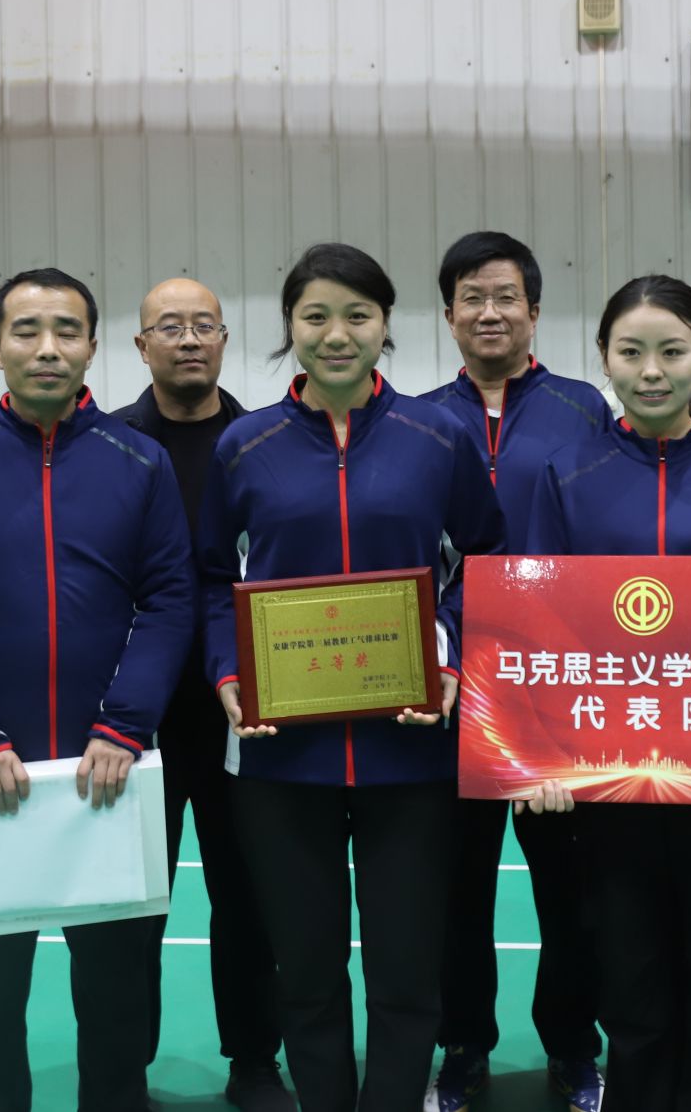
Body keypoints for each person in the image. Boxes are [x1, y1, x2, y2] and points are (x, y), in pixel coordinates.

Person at [198, 243, 507, 1112]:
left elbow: (484, 559)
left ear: (386, 325)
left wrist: (446, 650)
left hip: (410, 753)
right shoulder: (244, 444)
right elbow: (213, 578)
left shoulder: (437, 436)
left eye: (357, 315)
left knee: (407, 973)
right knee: (305, 972)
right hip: (280, 757)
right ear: (289, 326)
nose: (337, 334)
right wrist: (229, 671)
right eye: (316, 316)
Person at [0, 267, 197, 1112]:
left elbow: (170, 599)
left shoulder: (140, 460)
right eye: (27, 330)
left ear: (93, 346)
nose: (47, 347)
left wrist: (125, 723)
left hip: (111, 771)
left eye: (66, 330)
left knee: (118, 986)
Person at [523, 275, 691, 1112]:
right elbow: (538, 628)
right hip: (611, 790)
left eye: (671, 351)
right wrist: (540, 761)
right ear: (602, 358)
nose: (650, 370)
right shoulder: (567, 472)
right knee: (633, 997)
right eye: (630, 351)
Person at [418, 231, 609, 1112]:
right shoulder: (419, 419)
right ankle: (463, 1044)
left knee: (571, 888)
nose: (489, 312)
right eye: (472, 297)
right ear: (448, 314)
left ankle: (573, 1043)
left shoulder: (585, 410)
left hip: (561, 693)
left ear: (534, 311)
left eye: (505, 297)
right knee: (455, 888)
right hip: (451, 693)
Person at [109, 278, 293, 1112]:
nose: (188, 339)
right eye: (170, 326)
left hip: (244, 717)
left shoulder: (261, 445)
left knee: (249, 898)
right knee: (131, 905)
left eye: (204, 325)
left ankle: (254, 1058)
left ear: (224, 339)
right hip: (132, 720)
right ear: (141, 344)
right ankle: (123, 1067)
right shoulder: (108, 448)